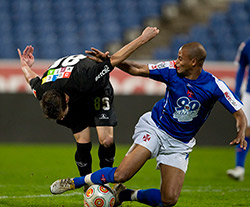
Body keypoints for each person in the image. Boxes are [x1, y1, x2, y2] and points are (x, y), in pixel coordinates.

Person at [50, 41, 248, 207]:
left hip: (179, 144)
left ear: (194, 62)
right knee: (121, 174)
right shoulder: (171, 70)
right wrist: (110, 62)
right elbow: (136, 68)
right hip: (155, 128)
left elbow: (239, 112)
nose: (177, 61)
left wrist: (240, 129)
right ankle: (75, 182)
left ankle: (124, 196)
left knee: (168, 200)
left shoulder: (214, 85)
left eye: (181, 58)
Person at [17, 27, 159, 179]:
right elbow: (31, 78)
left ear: (65, 100)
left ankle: (105, 180)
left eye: (62, 115)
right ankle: (87, 184)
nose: (62, 119)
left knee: (106, 140)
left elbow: (115, 59)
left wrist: (143, 38)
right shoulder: (43, 91)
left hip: (96, 90)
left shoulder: (86, 78)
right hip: (72, 93)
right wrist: (25, 65)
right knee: (83, 142)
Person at [227, 38, 250, 181]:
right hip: (249, 93)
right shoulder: (246, 45)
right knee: (246, 129)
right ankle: (239, 168)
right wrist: (236, 92)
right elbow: (242, 67)